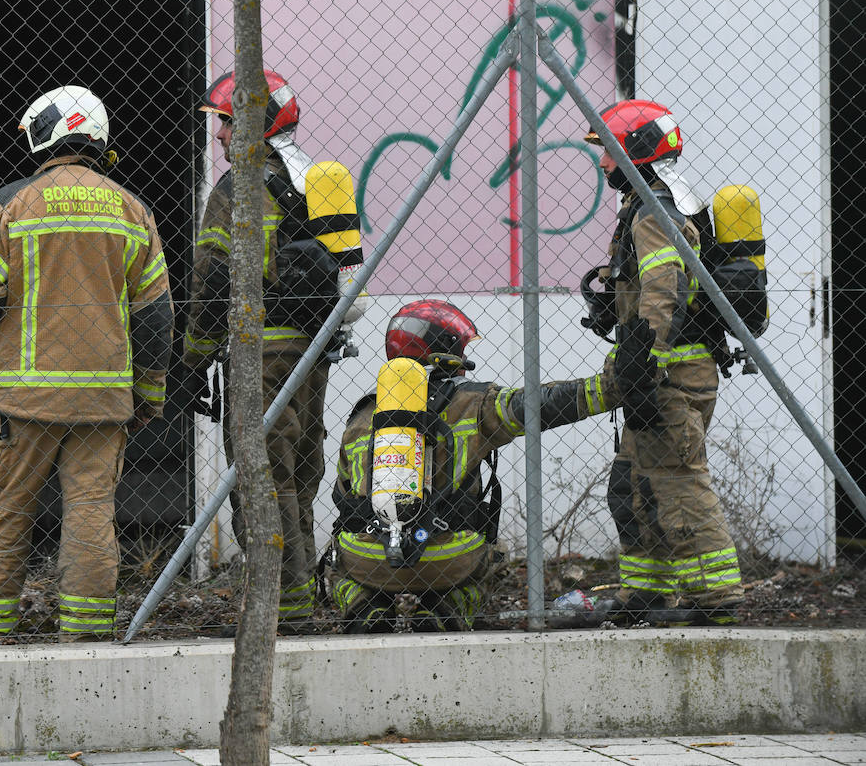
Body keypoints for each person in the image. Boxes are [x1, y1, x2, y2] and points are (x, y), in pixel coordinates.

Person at [0, 85, 172, 643]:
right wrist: (149, 392)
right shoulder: (133, 209)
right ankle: (87, 631)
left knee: (4, 506)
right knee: (91, 511)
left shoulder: (10, 203)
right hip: (103, 399)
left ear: (44, 135)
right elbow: (155, 317)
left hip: (23, 397)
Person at [178, 69, 362, 632]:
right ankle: (302, 598)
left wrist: (191, 356)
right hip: (313, 349)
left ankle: (277, 608)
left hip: (262, 350)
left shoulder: (238, 188)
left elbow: (212, 278)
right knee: (299, 469)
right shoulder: (313, 177)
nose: (220, 136)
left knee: (262, 475)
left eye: (228, 123)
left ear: (255, 124)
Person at [328, 299, 630, 633]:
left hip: (366, 560)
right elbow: (541, 405)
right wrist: (610, 388)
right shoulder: (475, 403)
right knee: (496, 557)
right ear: (447, 350)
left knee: (336, 565)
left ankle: (363, 609)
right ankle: (446, 611)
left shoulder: (361, 417)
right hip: (449, 558)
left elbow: (344, 498)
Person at [581, 99, 744, 625]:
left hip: (668, 375)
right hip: (666, 370)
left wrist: (643, 361)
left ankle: (716, 601)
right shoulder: (659, 203)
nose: (603, 162)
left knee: (676, 482)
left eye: (607, 151)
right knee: (631, 486)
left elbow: (665, 283)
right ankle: (647, 593)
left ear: (633, 152)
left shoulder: (652, 212)